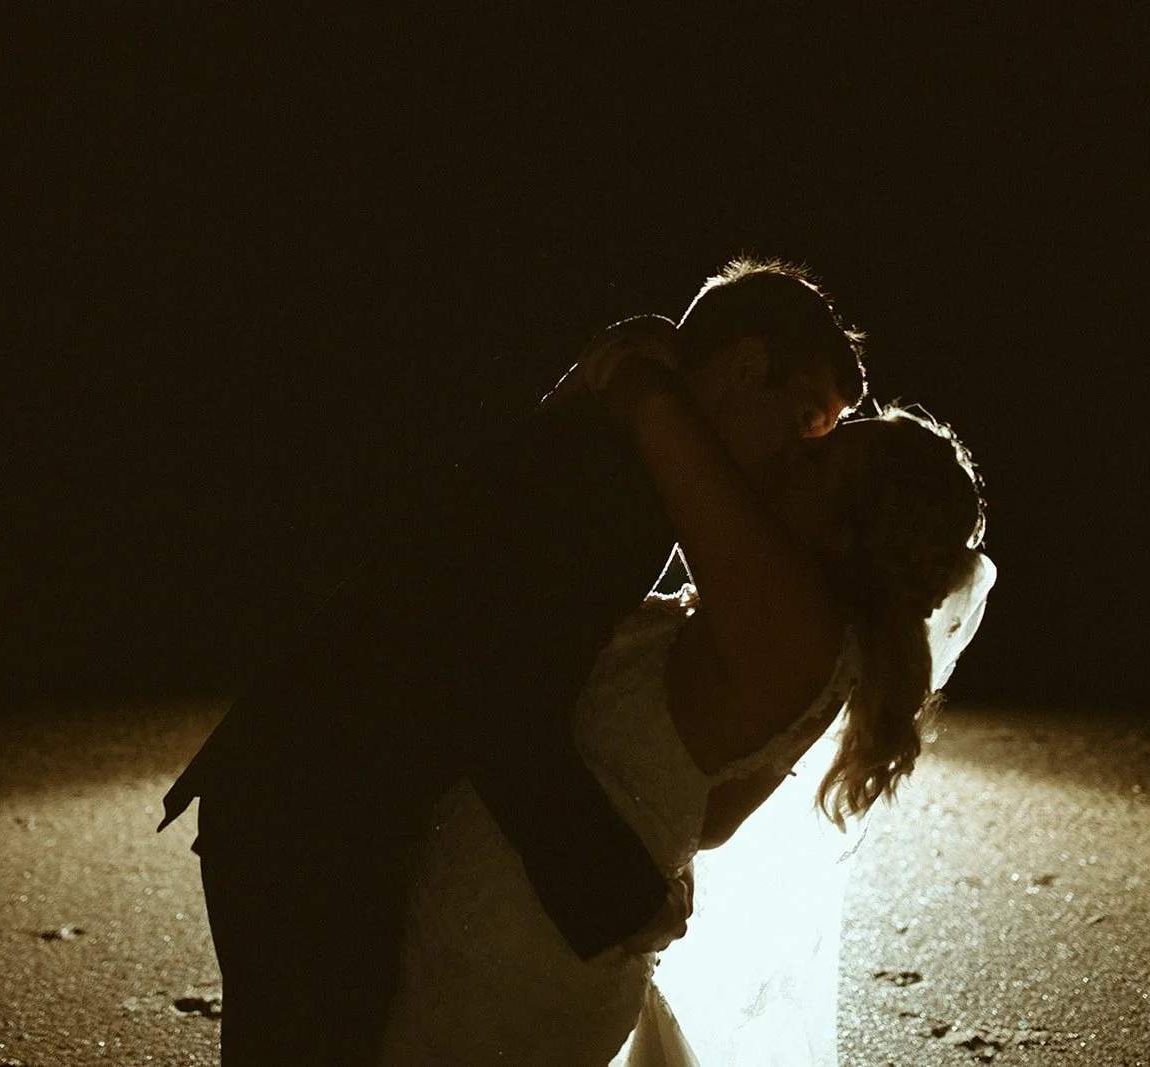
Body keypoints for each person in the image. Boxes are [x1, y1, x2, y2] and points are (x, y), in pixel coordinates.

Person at [158, 258, 867, 1065]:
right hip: (315, 805)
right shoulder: (609, 480)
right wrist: (617, 896)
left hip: (318, 794)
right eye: (807, 419)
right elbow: (498, 704)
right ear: (747, 367)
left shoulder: (617, 450)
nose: (794, 453)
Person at [376, 323, 993, 1065]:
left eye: (823, 458)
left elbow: (657, 413)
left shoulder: (790, 616)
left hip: (510, 956)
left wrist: (663, 350)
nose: (796, 454)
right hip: (548, 941)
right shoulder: (823, 648)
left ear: (851, 527)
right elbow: (709, 821)